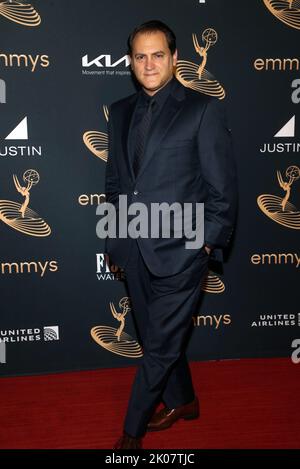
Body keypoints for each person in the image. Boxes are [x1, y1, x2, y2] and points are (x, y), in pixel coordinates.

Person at [104, 20, 238, 449]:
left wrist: (205, 243)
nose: (149, 64)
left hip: (183, 251)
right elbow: (116, 183)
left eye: (157, 55)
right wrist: (115, 237)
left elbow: (223, 188)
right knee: (157, 336)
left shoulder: (202, 109)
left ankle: (130, 433)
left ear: (175, 59)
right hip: (134, 247)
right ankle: (186, 400)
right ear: (130, 62)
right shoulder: (121, 110)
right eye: (140, 56)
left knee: (159, 347)